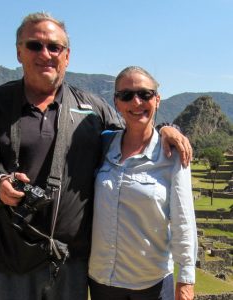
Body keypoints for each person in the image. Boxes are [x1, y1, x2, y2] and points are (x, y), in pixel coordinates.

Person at [0, 13, 192, 300]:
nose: (45, 54)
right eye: (34, 45)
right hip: (7, 265)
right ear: (19, 52)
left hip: (71, 267)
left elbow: (135, 128)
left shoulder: (92, 110)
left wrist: (166, 128)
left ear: (67, 56)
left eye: (54, 47)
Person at [88, 66, 197, 300]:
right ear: (117, 103)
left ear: (157, 100)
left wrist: (186, 279)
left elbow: (183, 219)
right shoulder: (103, 145)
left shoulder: (172, 155)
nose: (136, 102)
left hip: (151, 284)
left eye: (145, 94)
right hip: (102, 280)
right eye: (126, 95)